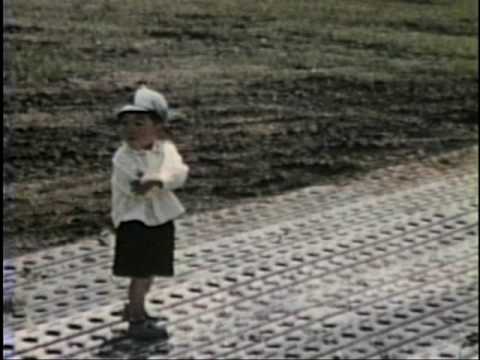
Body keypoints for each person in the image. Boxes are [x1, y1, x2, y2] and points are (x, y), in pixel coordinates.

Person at [111, 85, 189, 340]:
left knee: (153, 267)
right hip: (134, 221)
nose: (130, 130)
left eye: (139, 123)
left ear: (158, 127)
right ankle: (135, 318)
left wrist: (159, 179)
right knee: (139, 270)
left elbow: (178, 173)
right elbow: (134, 187)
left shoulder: (165, 150)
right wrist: (153, 182)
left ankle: (137, 306)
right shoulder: (122, 157)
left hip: (160, 218)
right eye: (125, 124)